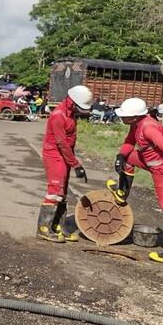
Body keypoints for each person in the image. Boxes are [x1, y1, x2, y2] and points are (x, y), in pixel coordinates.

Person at [111, 98, 163, 263]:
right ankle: (121, 193)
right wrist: (120, 156)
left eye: (125, 116)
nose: (122, 118)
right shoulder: (136, 125)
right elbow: (129, 143)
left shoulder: (148, 127)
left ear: (135, 117)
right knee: (126, 158)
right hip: (150, 161)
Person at [36, 85, 93, 243]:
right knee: (55, 191)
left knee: (63, 192)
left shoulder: (71, 114)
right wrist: (76, 164)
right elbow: (61, 143)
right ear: (72, 102)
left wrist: (72, 161)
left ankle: (57, 226)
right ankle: (43, 229)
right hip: (54, 154)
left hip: (65, 155)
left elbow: (69, 142)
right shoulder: (58, 116)